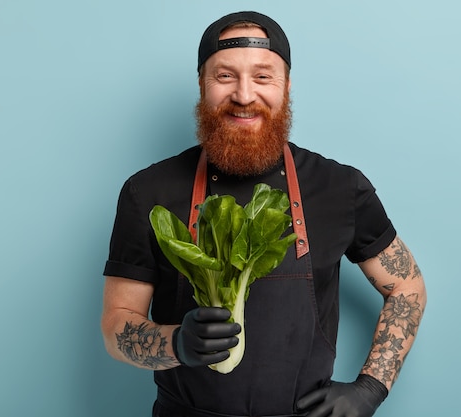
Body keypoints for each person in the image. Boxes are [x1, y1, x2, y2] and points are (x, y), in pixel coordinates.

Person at [101, 10, 426, 417]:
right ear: (202, 84)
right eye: (224, 76)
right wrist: (175, 343)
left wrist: (370, 389)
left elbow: (407, 287)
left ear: (286, 85)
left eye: (263, 76)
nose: (243, 94)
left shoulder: (340, 187)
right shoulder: (147, 191)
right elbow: (117, 326)